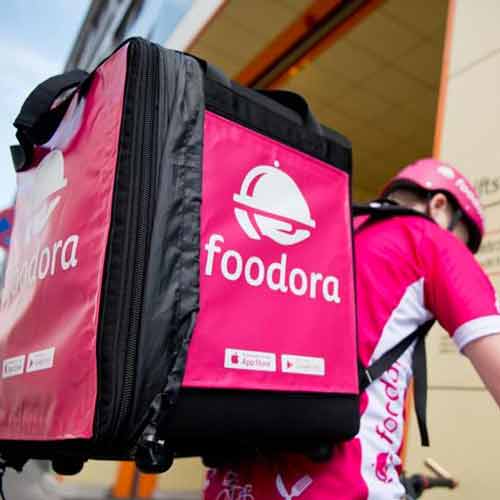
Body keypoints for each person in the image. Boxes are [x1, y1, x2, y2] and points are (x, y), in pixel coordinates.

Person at [202, 158, 500, 500]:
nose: (461, 251)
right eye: (462, 241)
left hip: (229, 482)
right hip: (339, 485)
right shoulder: (428, 239)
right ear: (439, 206)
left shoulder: (317, 231)